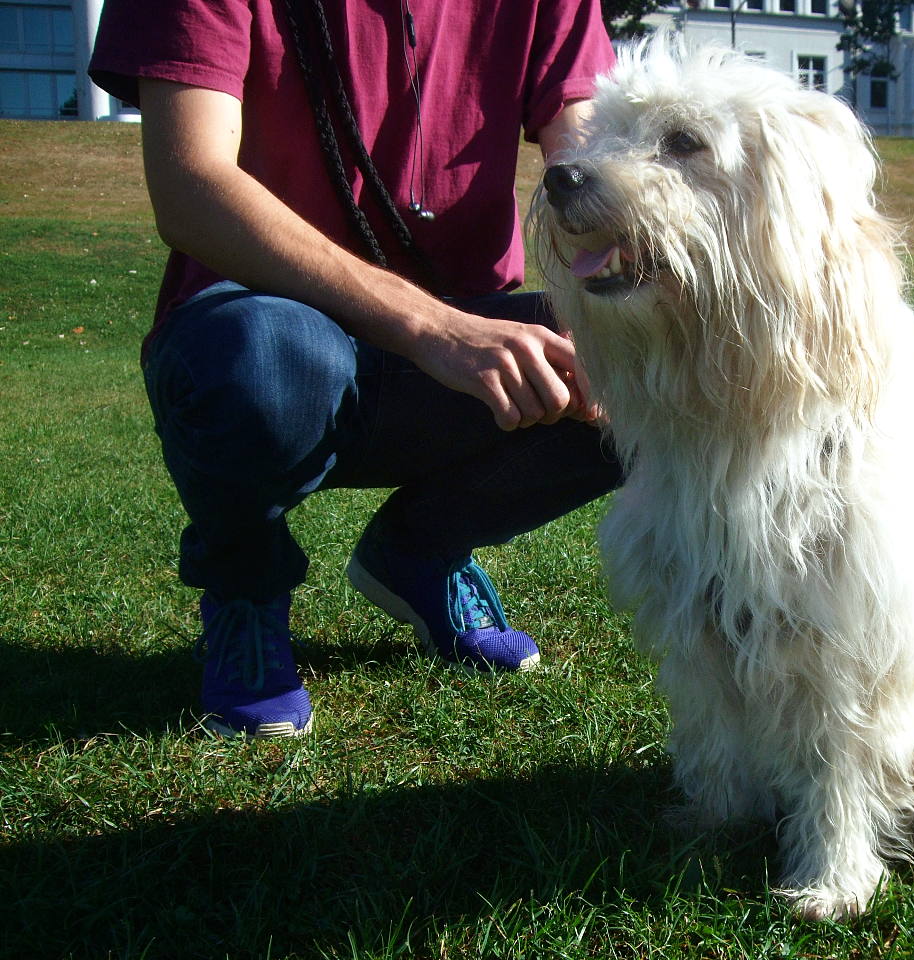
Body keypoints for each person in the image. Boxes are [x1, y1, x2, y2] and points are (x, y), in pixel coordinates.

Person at [88, 0, 622, 738]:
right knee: (259, 362)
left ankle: (418, 551)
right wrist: (432, 326)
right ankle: (246, 589)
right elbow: (190, 185)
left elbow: (594, 164)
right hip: (261, 325)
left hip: (461, 332)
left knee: (653, 363)